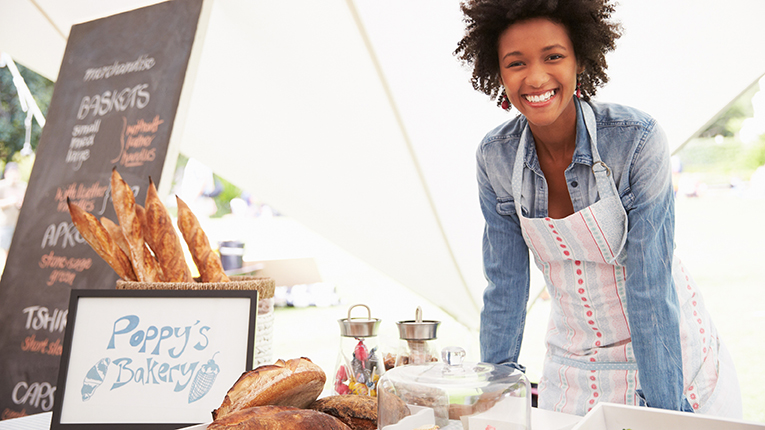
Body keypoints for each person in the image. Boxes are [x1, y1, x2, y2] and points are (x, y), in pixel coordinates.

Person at [455, 0, 742, 418]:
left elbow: (650, 284)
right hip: (573, 362)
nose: (536, 77)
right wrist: (494, 396)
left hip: (665, 353)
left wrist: (664, 416)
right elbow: (506, 283)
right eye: (516, 63)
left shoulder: (636, 141)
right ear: (498, 73)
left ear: (580, 62)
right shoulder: (495, 157)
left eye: (553, 57)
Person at [0, 162, 27, 268]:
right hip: (5, 225)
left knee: (18, 251)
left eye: (16, 172)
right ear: (6, 174)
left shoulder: (23, 186)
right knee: (6, 252)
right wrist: (10, 201)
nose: (14, 175)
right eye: (12, 172)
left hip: (20, 225)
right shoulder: (2, 186)